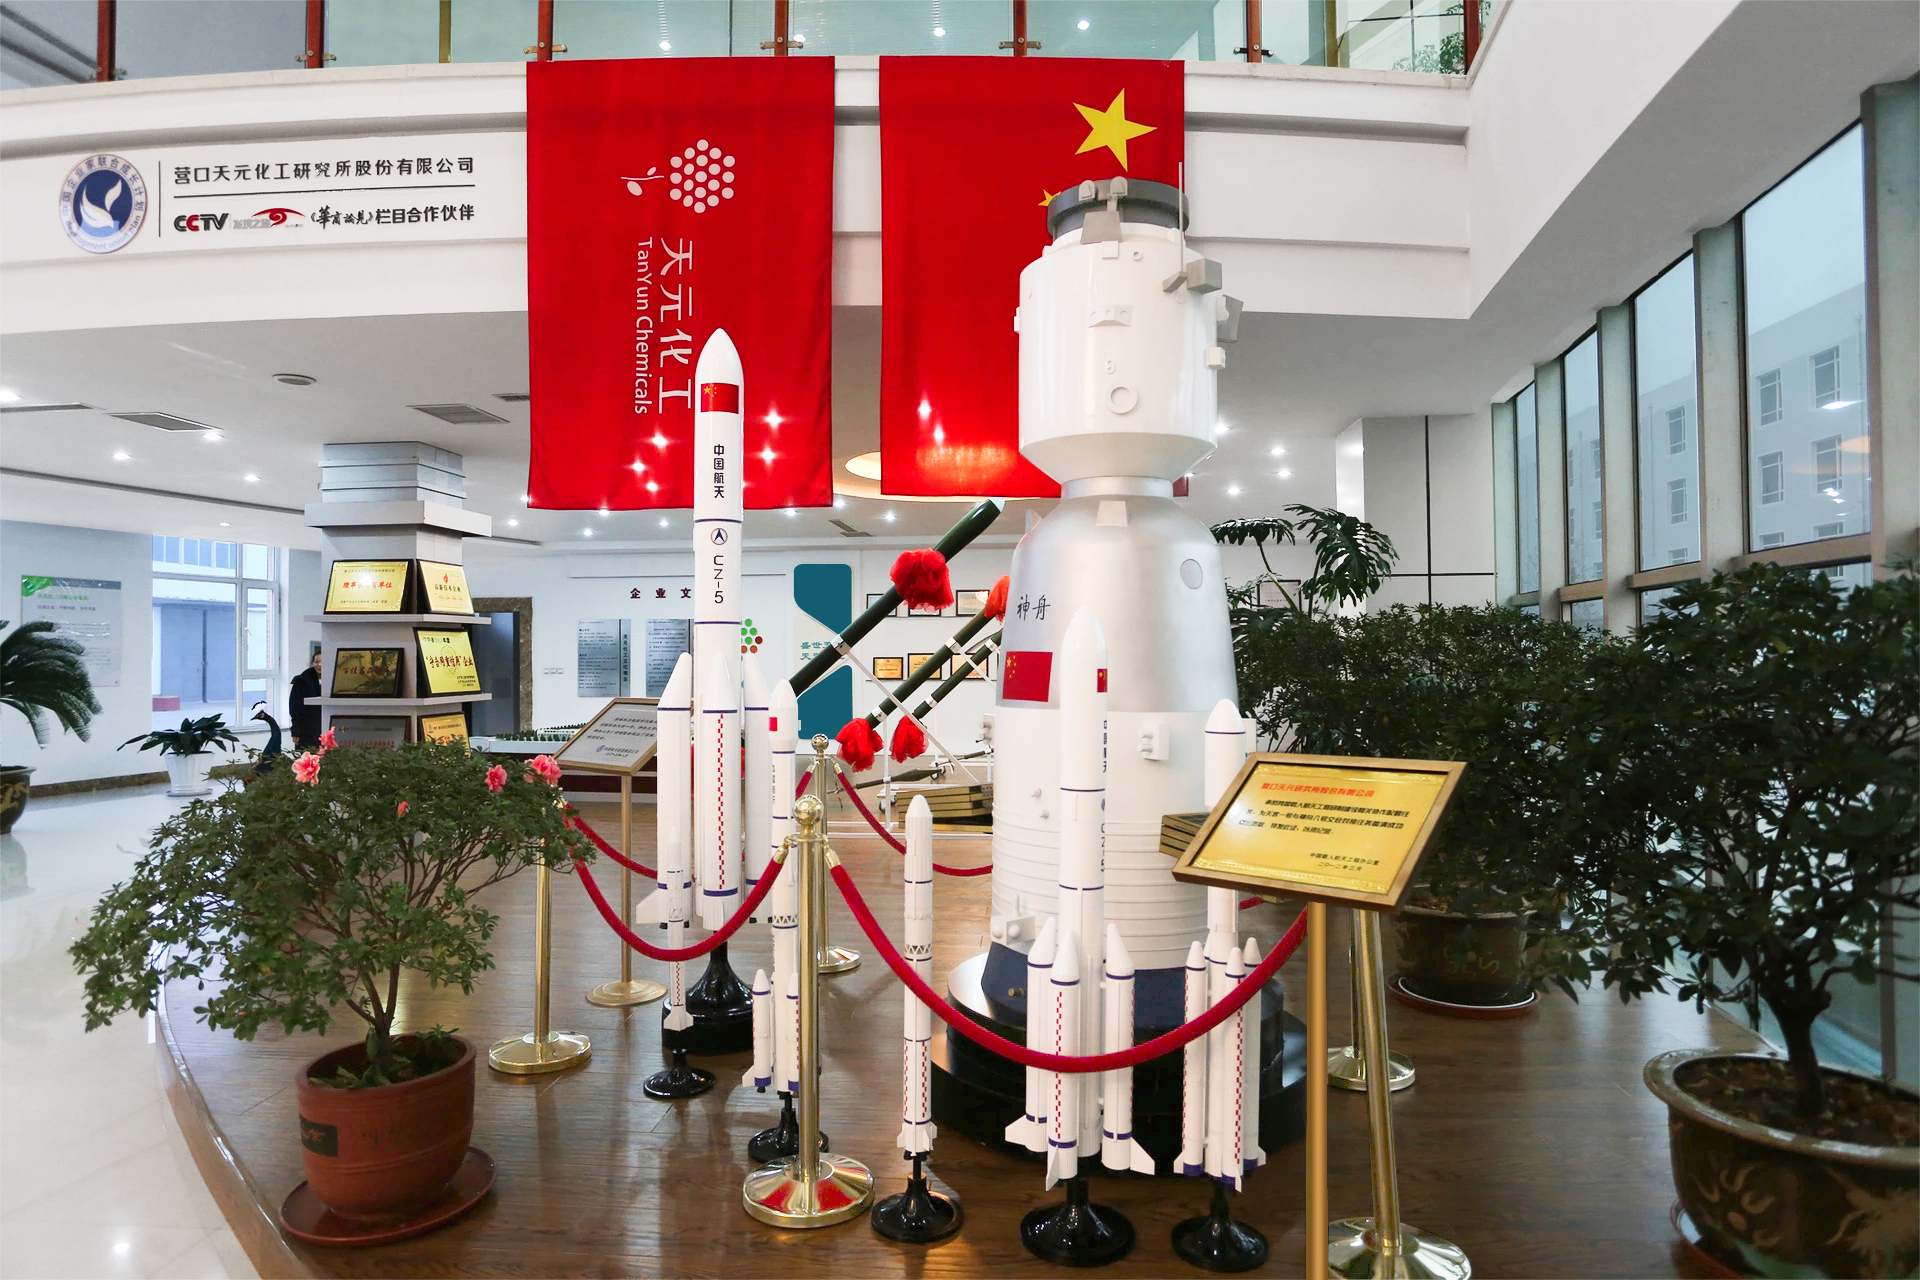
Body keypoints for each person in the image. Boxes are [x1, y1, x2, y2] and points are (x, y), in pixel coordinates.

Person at [290, 649, 323, 751]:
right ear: (312, 663)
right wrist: (296, 731)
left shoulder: (336, 680)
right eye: (316, 662)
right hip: (307, 730)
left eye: (323, 662)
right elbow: (295, 708)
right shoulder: (301, 681)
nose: (319, 665)